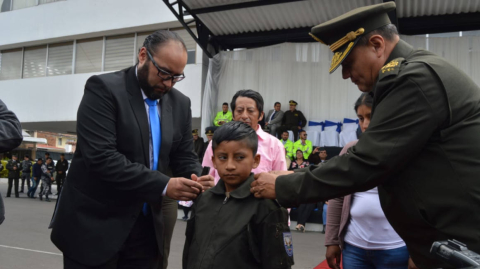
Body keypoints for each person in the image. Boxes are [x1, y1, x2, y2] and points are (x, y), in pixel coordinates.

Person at [251, 3, 480, 268]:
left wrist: (283, 186)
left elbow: (366, 163)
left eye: (348, 63)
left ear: (377, 44)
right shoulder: (410, 74)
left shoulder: (413, 79)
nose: (346, 75)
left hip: (464, 246)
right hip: (449, 244)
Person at [49, 30, 211, 269]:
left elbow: (183, 155)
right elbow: (102, 159)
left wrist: (196, 178)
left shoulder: (180, 104)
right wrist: (165, 185)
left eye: (176, 77)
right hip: (95, 225)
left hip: (145, 228)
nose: (168, 83)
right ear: (143, 55)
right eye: (164, 73)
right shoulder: (103, 89)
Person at [183, 121, 294, 269]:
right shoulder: (204, 200)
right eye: (222, 157)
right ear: (214, 161)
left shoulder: (266, 207)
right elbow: (189, 251)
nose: (230, 165)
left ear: (255, 161)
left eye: (239, 157)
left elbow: (278, 263)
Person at [325, 93, 410, 269]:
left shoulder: (406, 151)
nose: (365, 124)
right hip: (354, 248)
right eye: (361, 118)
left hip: (395, 248)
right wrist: (332, 240)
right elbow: (337, 196)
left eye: (371, 116)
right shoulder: (350, 150)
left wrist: (420, 251)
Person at [202, 90, 287, 184]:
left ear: (261, 115)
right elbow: (207, 178)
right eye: (239, 111)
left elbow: (281, 183)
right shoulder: (217, 141)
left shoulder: (274, 145)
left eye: (250, 111)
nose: (244, 116)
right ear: (233, 114)